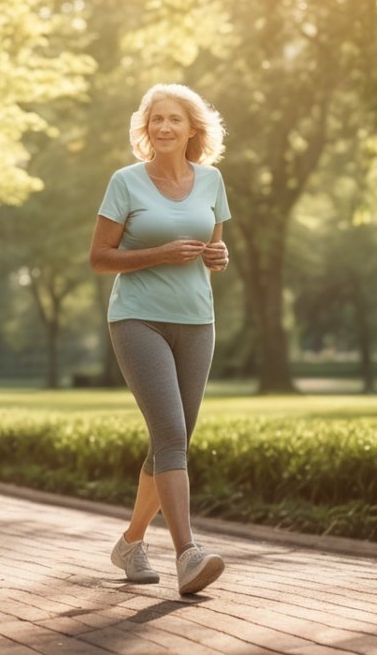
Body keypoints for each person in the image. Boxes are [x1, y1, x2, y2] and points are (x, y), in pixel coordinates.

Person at [89, 83, 231, 596]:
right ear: (145, 130)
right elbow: (100, 257)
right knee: (171, 434)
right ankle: (188, 555)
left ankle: (130, 543)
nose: (164, 127)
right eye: (156, 120)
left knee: (173, 440)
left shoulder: (212, 181)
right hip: (138, 320)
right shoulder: (125, 183)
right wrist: (159, 253)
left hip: (196, 321)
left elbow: (213, 247)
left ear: (194, 128)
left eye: (174, 119)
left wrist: (219, 256)